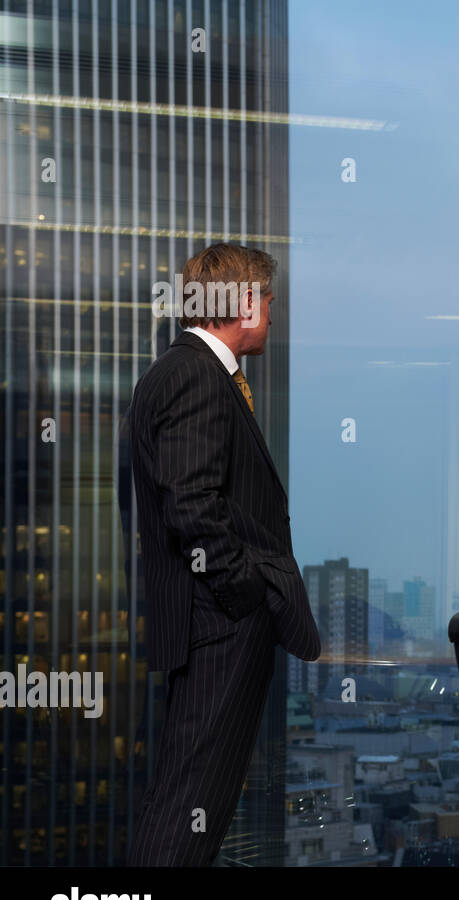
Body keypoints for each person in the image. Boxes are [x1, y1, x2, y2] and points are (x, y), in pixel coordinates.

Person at [122, 242, 320, 865]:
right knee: (189, 809)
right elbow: (191, 505)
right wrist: (245, 597)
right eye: (267, 299)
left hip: (210, 622)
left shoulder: (185, 373)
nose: (271, 312)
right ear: (240, 302)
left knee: (186, 802)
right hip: (221, 624)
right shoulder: (194, 377)